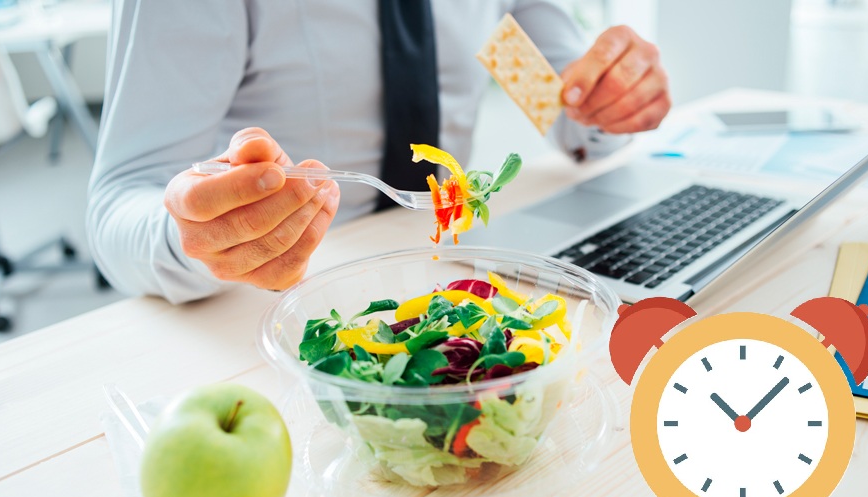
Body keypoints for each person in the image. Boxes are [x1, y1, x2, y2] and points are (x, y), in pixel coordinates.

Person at [88, 1, 670, 304]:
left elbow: (568, 112)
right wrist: (208, 237)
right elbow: (120, 203)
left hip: (452, 270)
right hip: (272, 304)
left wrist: (613, 100)